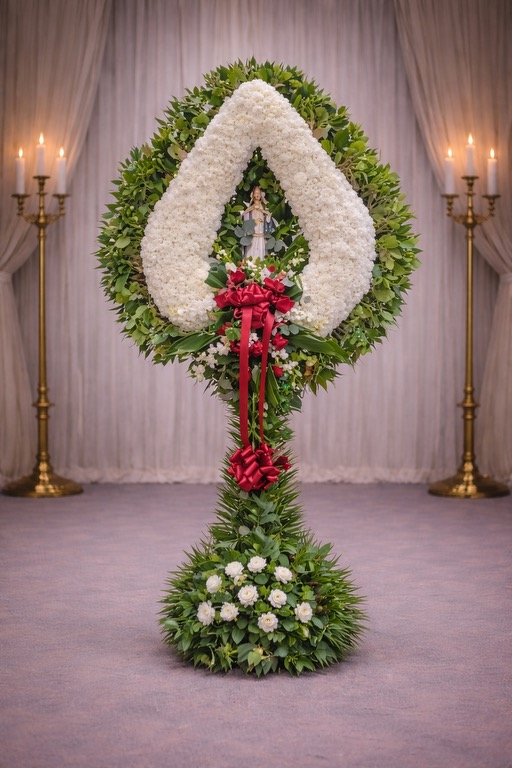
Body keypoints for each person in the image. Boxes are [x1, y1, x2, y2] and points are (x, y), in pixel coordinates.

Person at [241, 186, 274, 259]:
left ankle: (261, 261)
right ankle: (250, 263)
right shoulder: (250, 208)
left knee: (261, 248)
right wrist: (253, 222)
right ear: (252, 195)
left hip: (261, 231)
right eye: (255, 193)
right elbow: (245, 216)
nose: (257, 195)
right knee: (251, 248)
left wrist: (262, 211)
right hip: (253, 232)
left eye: (258, 193)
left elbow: (268, 217)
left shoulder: (264, 206)